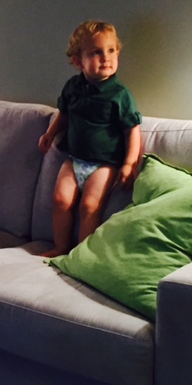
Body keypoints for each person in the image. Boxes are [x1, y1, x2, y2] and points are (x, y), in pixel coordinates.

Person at [38, 20, 142, 258]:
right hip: (74, 159)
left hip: (104, 164)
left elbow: (132, 130)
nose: (106, 58)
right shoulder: (73, 87)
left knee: (89, 206)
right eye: (96, 52)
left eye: (111, 51)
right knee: (60, 200)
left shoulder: (120, 95)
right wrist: (50, 133)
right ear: (78, 61)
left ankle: (81, 256)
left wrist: (129, 163)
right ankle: (61, 247)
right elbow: (64, 114)